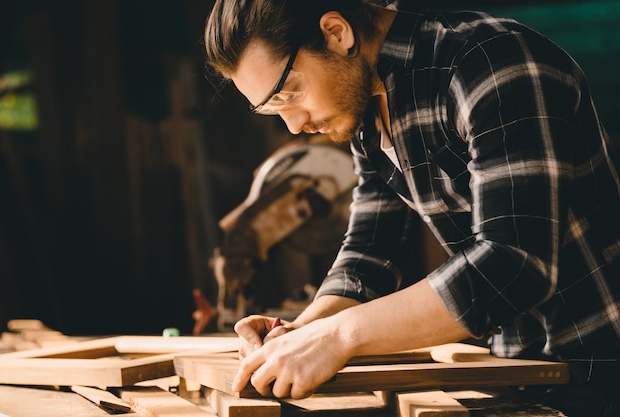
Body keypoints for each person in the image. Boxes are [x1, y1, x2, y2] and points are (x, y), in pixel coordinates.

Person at [202, 0, 620, 415]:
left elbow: (515, 262)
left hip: (601, 367)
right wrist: (303, 331)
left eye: (289, 92)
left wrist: (338, 336)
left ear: (336, 33)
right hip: (518, 369)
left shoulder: (488, 62)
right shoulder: (366, 102)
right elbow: (369, 253)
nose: (293, 125)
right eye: (273, 108)